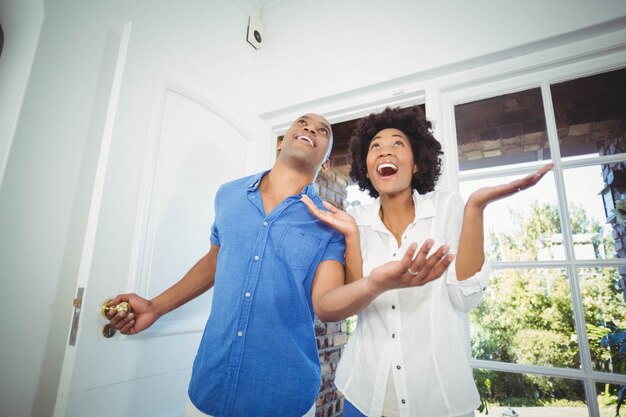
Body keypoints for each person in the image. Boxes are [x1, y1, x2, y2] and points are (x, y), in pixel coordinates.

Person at [104, 113, 454, 417]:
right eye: (302, 122)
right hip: (208, 389)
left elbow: (327, 304)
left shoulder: (330, 223)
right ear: (280, 143)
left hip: (284, 397)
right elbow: (215, 257)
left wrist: (376, 281)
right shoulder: (228, 195)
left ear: (326, 164)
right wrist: (156, 306)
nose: (310, 129)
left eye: (323, 131)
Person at [301, 106, 553, 417]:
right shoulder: (356, 221)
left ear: (417, 164)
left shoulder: (447, 207)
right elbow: (350, 305)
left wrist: (475, 207)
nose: (384, 151)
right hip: (363, 396)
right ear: (366, 169)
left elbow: (465, 298)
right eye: (375, 146)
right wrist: (360, 250)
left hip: (439, 400)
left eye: (397, 143)